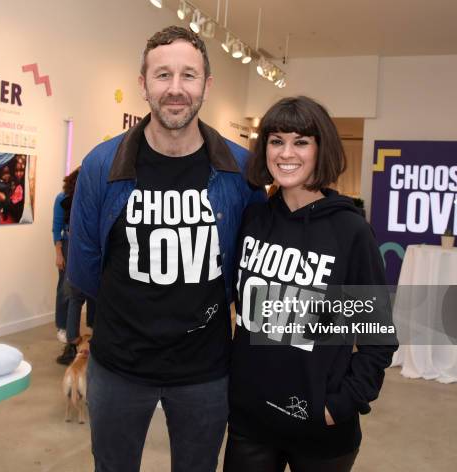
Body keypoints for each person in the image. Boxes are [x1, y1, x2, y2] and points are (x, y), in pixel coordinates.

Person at [67, 26, 264, 472]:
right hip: (118, 367)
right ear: (143, 84)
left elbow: (249, 265)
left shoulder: (240, 170)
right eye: (162, 75)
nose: (175, 89)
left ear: (207, 86)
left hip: (206, 372)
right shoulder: (102, 165)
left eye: (189, 76)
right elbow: (84, 268)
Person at [224, 96, 398, 472]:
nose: (287, 153)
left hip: (320, 430)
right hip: (250, 424)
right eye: (276, 140)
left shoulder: (350, 230)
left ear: (321, 150)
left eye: (301, 141)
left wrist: (339, 405)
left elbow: (377, 337)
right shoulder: (253, 219)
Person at [53, 167, 93, 365]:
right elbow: (56, 227)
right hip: (72, 246)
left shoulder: (91, 197)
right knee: (70, 292)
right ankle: (69, 336)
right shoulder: (63, 199)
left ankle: (86, 336)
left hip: (90, 246)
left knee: (87, 293)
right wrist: (59, 253)